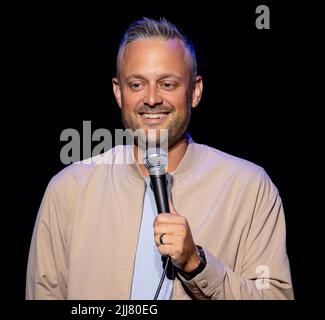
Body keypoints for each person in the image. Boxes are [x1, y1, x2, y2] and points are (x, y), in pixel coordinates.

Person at [26, 17, 293, 300]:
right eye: (137, 84)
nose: (151, 98)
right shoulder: (69, 189)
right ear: (119, 92)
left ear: (195, 91)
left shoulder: (249, 188)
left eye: (167, 84)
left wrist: (196, 264)